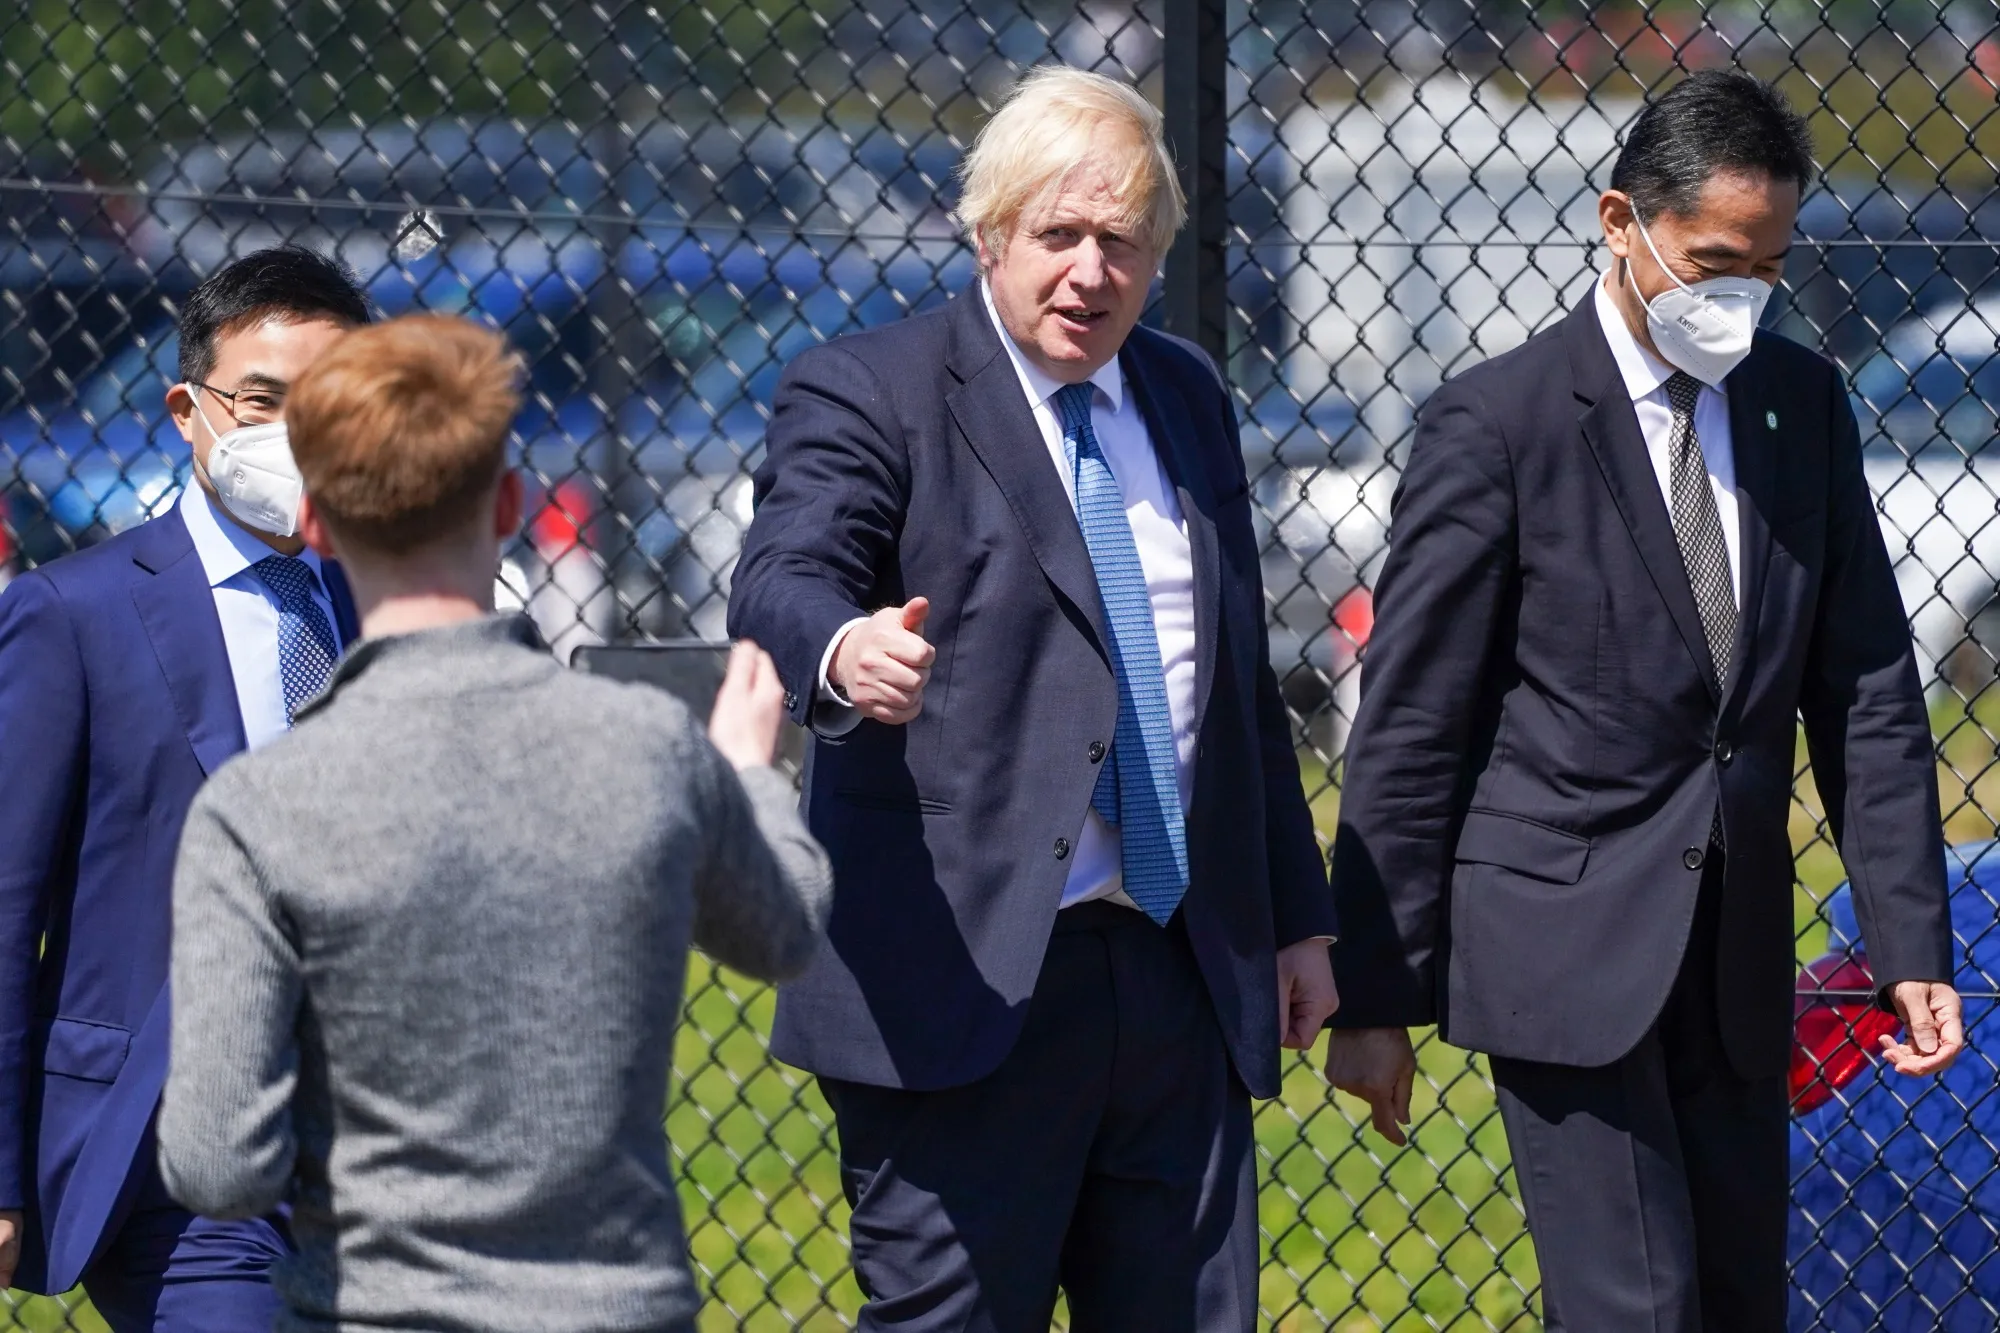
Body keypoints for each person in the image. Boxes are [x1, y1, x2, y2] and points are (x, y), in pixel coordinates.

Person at [1324, 70, 1963, 1331]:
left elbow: (1867, 693)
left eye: (1767, 267)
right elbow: (1411, 726)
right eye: (1713, 260)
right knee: (1636, 1308)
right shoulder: (1494, 424)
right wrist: (1375, 994)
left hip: (1730, 968)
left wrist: (1905, 946)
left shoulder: (1800, 408)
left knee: (1730, 1302)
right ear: (1619, 222)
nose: (1740, 296)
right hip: (1563, 957)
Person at [727, 65, 1338, 1331]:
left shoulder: (1183, 400)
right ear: (990, 231)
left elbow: (1227, 688)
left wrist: (1291, 917)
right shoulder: (870, 388)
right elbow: (785, 571)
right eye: (1057, 235)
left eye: (1120, 242)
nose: (1088, 273)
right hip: (965, 976)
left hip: (1176, 972)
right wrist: (842, 649)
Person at [155, 313, 833, 1333]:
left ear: (320, 524)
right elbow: (782, 929)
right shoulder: (645, 746)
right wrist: (747, 775)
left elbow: (215, 1162)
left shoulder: (259, 808)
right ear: (510, 503)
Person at [0, 245, 369, 1328]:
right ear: (186, 408)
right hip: (181, 1154)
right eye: (263, 401)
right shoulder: (77, 617)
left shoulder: (392, 602)